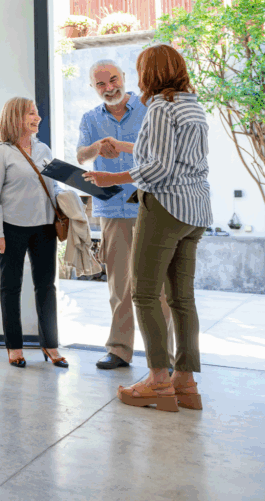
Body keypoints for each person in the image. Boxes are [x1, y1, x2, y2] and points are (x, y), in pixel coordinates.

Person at [85, 44, 211, 412]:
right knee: (182, 299)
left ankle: (157, 380)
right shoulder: (192, 104)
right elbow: (170, 155)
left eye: (141, 70)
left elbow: (155, 169)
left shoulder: (159, 106)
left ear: (151, 72)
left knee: (142, 293)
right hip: (195, 210)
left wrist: (113, 175)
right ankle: (184, 382)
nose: (138, 78)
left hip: (165, 207)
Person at [77, 59, 174, 370]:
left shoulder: (148, 109)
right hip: (112, 209)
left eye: (113, 80)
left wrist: (120, 146)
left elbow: (158, 153)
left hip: (151, 205)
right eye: (101, 84)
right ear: (93, 88)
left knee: (158, 287)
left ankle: (165, 357)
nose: (110, 88)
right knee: (120, 286)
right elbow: (81, 155)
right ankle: (119, 350)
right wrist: (96, 148)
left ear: (123, 78)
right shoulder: (90, 118)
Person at [0, 97, 67, 369]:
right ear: (16, 117)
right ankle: (14, 348)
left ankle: (50, 344)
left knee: (47, 287)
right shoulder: (1, 153)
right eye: (31, 113)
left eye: (37, 112)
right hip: (12, 228)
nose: (37, 118)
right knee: (11, 288)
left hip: (44, 226)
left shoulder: (43, 149)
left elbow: (54, 186)